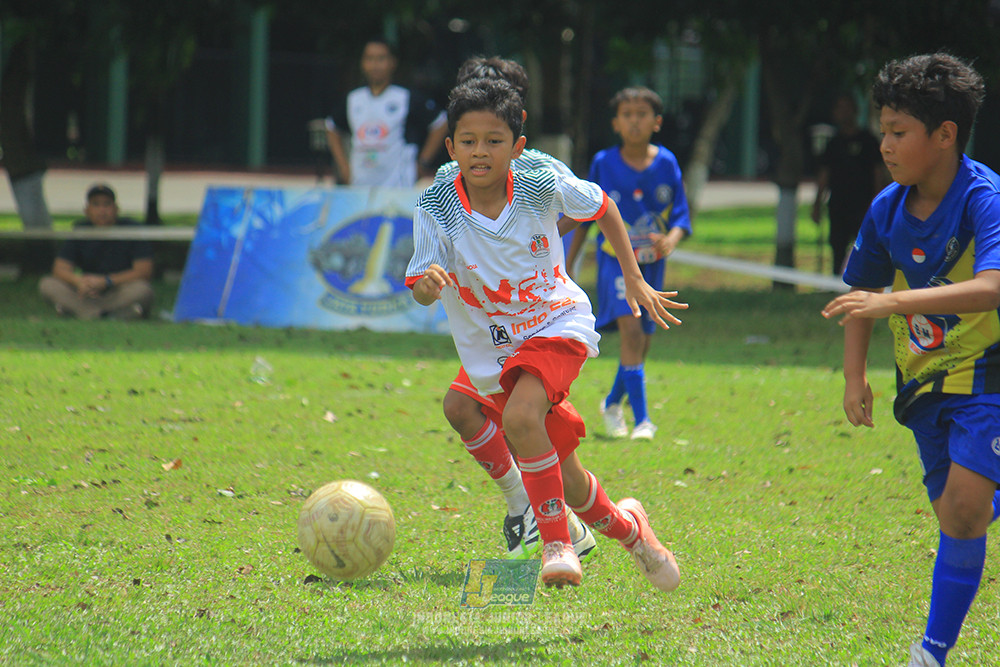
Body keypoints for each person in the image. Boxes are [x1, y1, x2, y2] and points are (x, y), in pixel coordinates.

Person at [407, 76, 685, 590]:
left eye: (494, 141)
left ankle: (555, 541)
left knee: (520, 417)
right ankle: (634, 533)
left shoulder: (538, 178)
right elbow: (421, 283)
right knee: (569, 478)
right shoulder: (435, 204)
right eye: (468, 141)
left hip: (556, 321)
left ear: (517, 145)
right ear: (451, 148)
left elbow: (602, 207)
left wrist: (632, 276)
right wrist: (427, 286)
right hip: (496, 349)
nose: (480, 151)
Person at [821, 53, 1000, 667]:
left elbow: (993, 286)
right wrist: (854, 376)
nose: (886, 145)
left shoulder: (984, 199)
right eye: (884, 131)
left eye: (899, 132)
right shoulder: (887, 209)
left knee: (966, 511)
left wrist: (895, 301)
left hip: (989, 376)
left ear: (945, 135)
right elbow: (861, 295)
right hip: (923, 382)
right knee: (955, 514)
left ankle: (931, 652)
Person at [433, 56, 595, 562]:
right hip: (489, 328)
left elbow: (581, 209)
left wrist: (533, 245)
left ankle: (568, 528)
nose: (478, 144)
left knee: (536, 434)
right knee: (464, 408)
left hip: (533, 323)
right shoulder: (449, 178)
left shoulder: (539, 169)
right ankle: (533, 509)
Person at [566, 87, 691, 440]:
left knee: (642, 343)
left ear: (657, 122)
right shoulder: (603, 163)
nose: (634, 121)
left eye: (642, 114)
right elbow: (584, 214)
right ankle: (643, 422)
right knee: (632, 334)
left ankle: (611, 403)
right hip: (615, 263)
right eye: (627, 115)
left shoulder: (667, 163)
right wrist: (568, 265)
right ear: (616, 124)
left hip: (652, 265)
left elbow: (681, 216)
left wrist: (671, 240)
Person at [325, 38, 448, 187]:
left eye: (381, 58)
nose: (375, 65)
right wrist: (344, 167)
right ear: (362, 63)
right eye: (370, 59)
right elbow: (331, 127)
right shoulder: (353, 99)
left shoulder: (406, 97)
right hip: (359, 186)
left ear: (393, 62)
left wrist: (423, 163)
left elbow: (440, 123)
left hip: (398, 187)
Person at [38, 184, 154, 320]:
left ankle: (84, 313)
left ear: (116, 209)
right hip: (86, 292)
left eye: (106, 205)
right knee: (48, 284)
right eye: (96, 205)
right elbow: (60, 268)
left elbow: (143, 271)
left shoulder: (130, 230)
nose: (102, 210)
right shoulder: (81, 230)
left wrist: (106, 281)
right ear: (87, 210)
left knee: (142, 290)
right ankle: (105, 314)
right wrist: (78, 281)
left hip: (118, 289)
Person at [811, 93, 886, 275]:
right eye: (840, 108)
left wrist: (877, 203)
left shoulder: (868, 141)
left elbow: (878, 173)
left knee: (866, 247)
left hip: (863, 205)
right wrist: (817, 203)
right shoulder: (833, 143)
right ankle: (837, 281)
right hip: (838, 205)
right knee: (837, 247)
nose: (844, 113)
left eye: (847, 108)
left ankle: (865, 282)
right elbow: (824, 175)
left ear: (855, 110)